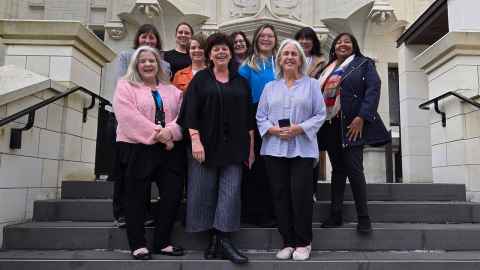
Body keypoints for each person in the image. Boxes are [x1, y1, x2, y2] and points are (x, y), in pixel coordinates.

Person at [177, 32, 254, 265]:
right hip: (205, 146)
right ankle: (214, 240)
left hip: (235, 147)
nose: (221, 52)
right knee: (204, 192)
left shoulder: (241, 81)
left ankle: (223, 239)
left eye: (225, 49)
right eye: (216, 49)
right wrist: (196, 141)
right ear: (209, 54)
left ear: (231, 53)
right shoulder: (201, 80)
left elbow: (248, 118)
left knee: (230, 193)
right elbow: (189, 112)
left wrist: (250, 149)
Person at [113, 46, 185, 259]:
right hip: (137, 147)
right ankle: (138, 244)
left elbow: (183, 116)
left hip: (168, 150)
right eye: (142, 61)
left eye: (151, 61)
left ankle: (162, 242)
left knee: (172, 194)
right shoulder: (125, 86)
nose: (147, 64)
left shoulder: (171, 90)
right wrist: (160, 134)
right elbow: (127, 117)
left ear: (158, 64)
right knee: (135, 196)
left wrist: (171, 132)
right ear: (136, 64)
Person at [257, 39, 326, 261]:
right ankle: (287, 241)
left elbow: (320, 114)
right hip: (274, 148)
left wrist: (299, 128)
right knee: (280, 195)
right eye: (285, 54)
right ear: (279, 59)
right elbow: (260, 117)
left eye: (293, 54)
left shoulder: (312, 85)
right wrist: (274, 131)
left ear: (300, 59)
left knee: (301, 196)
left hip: (303, 149)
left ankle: (303, 242)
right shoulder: (270, 87)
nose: (289, 57)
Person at [317, 33, 390, 233]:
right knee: (338, 171)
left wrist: (362, 117)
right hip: (329, 124)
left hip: (351, 124)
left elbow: (373, 89)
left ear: (354, 46)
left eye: (347, 42)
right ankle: (336, 214)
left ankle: (364, 217)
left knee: (355, 170)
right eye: (339, 42)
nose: (343, 44)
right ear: (334, 47)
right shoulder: (327, 68)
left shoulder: (364, 63)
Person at [112, 24, 170, 228]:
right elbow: (122, 91)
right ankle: (123, 214)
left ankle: (147, 214)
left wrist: (166, 131)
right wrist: (158, 132)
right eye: (144, 37)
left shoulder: (164, 64)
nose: (148, 41)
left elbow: (165, 95)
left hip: (158, 131)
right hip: (131, 131)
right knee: (127, 176)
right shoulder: (126, 56)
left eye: (152, 38)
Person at [238, 24, 278, 227]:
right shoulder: (247, 65)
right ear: (256, 39)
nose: (266, 39)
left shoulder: (280, 62)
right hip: (254, 115)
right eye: (262, 36)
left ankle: (274, 212)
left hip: (278, 116)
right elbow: (242, 97)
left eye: (270, 36)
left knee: (274, 166)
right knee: (256, 166)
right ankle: (254, 213)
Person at [294, 27, 327, 201]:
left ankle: (312, 190)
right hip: (294, 113)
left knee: (312, 153)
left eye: (308, 38)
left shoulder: (322, 62)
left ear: (314, 42)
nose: (304, 42)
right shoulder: (290, 58)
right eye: (301, 38)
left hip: (313, 112)